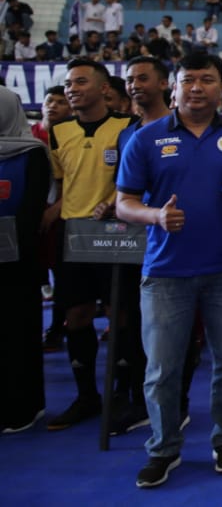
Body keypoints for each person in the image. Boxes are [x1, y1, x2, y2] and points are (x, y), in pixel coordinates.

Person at [115, 52, 222, 488]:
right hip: (165, 273)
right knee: (162, 369)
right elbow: (124, 202)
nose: (197, 87)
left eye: (207, 80)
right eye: (188, 79)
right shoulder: (145, 138)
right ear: (173, 87)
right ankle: (162, 449)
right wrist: (155, 216)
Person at [44, 59, 143, 433]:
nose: (71, 88)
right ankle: (87, 396)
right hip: (73, 234)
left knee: (120, 314)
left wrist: (116, 199)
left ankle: (123, 393)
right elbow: (60, 183)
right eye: (68, 83)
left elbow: (135, 175)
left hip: (116, 232)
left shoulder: (127, 127)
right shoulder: (59, 131)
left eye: (80, 81)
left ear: (103, 89)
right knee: (77, 316)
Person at [0, 87, 53, 434]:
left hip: (18, 259)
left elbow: (33, 207)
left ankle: (24, 406)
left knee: (17, 332)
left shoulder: (32, 153)